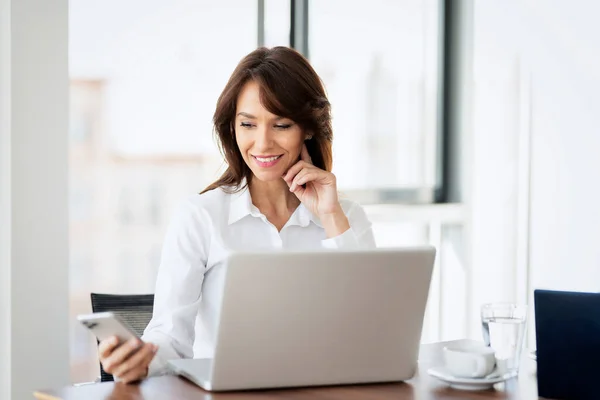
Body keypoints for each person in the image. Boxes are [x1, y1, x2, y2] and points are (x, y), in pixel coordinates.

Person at [97, 46, 376, 383]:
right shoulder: (200, 216)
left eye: (282, 125)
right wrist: (141, 359)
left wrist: (331, 217)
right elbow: (171, 338)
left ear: (309, 128)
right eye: (248, 124)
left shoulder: (347, 217)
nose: (262, 143)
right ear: (232, 127)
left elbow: (369, 331)